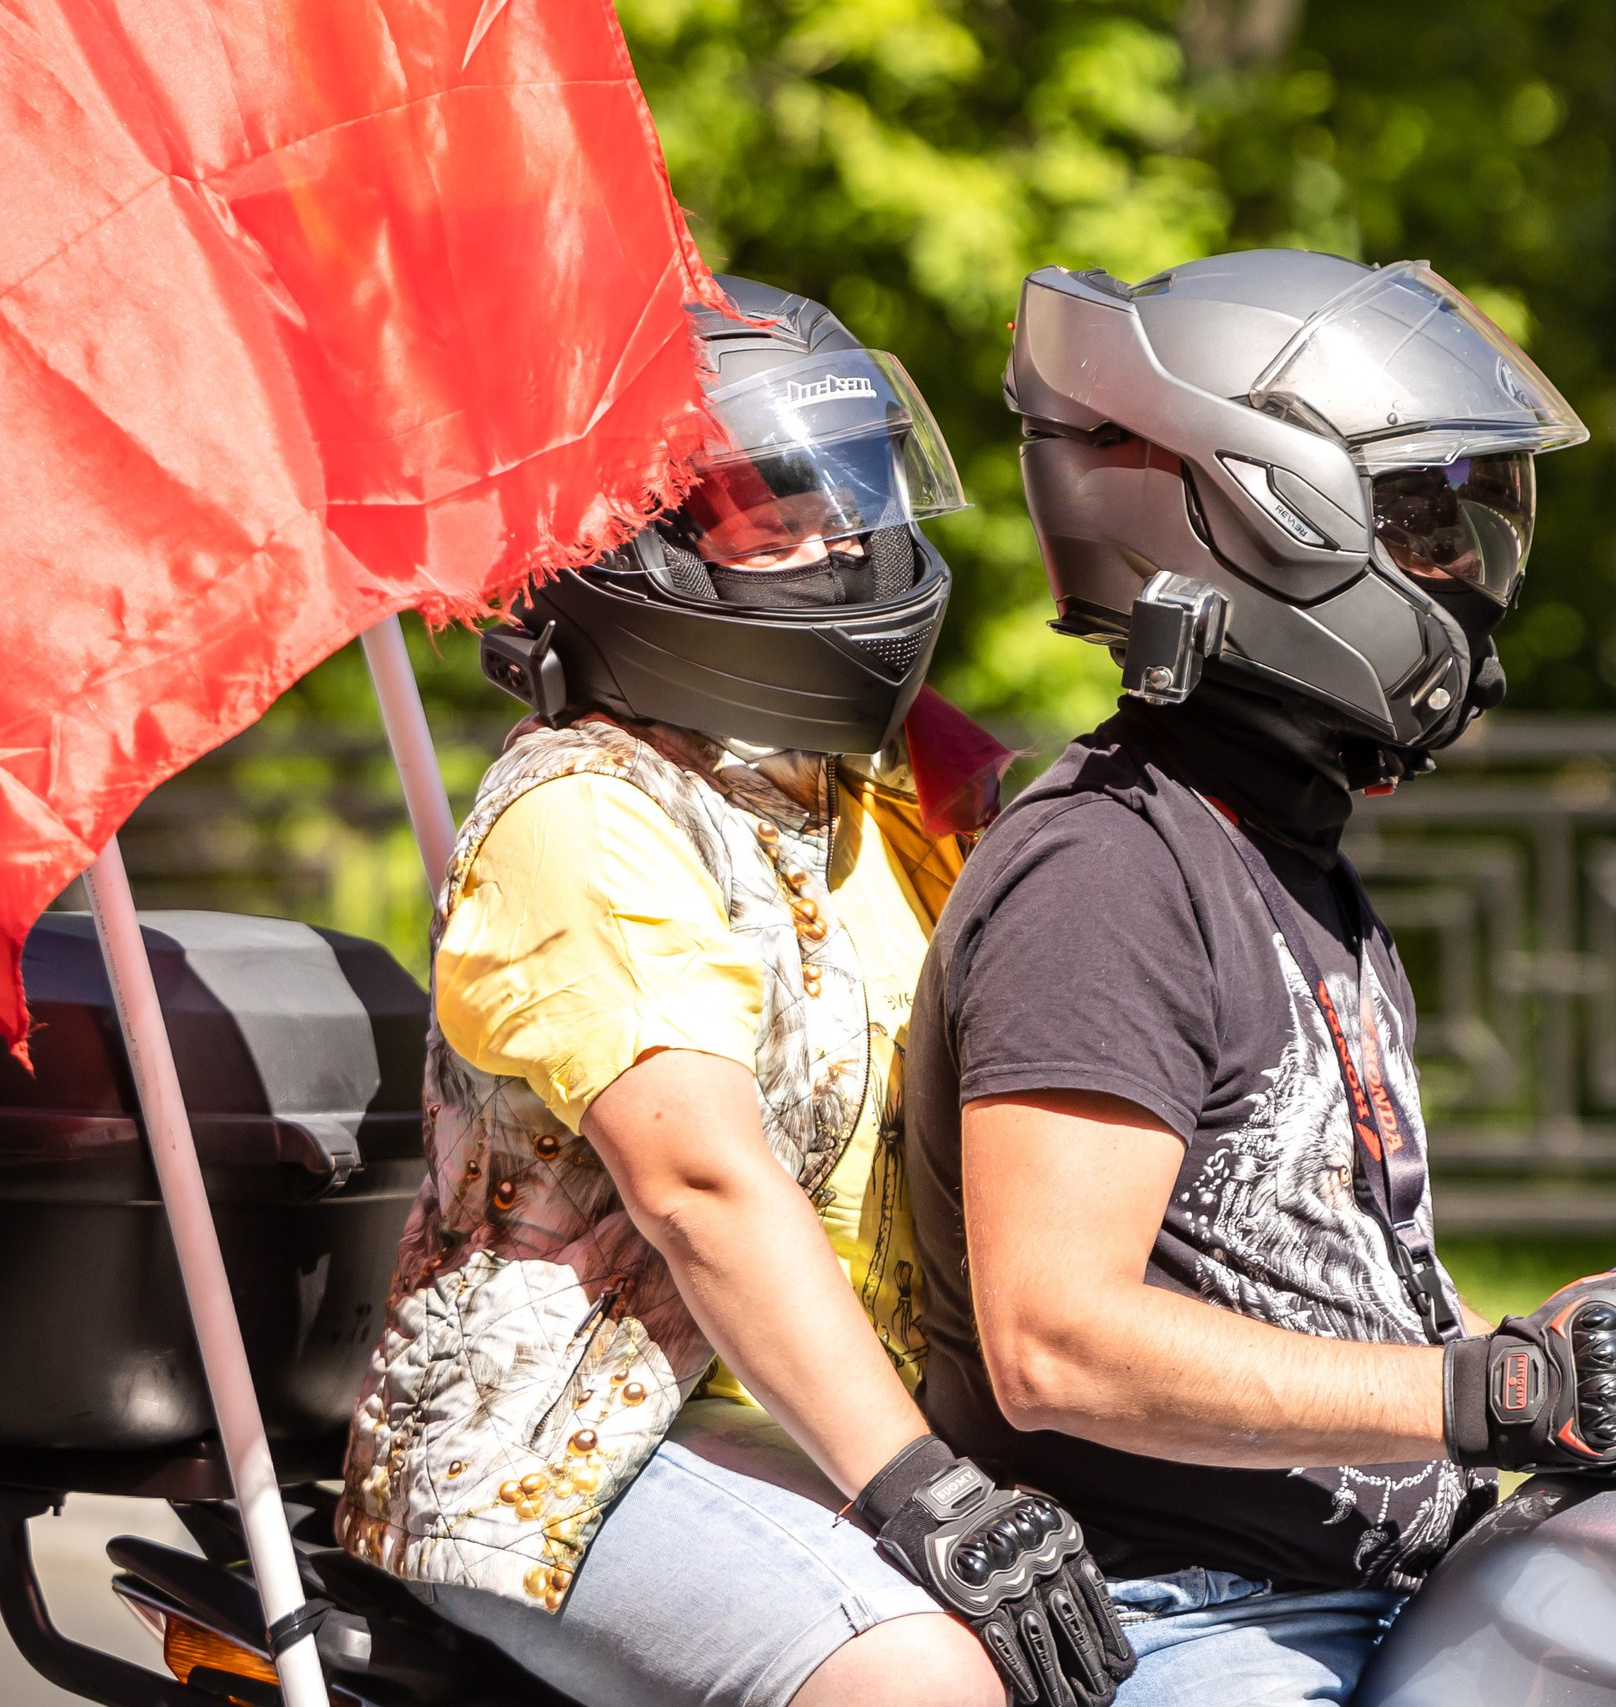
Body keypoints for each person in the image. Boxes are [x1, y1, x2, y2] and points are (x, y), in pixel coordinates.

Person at [904, 250, 1616, 1706]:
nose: (1467, 573)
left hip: (1374, 1590)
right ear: (1260, 517)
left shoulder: (1284, 859)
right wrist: (1475, 1395)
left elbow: (1308, 1296)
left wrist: (1558, 1354)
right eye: (1421, 523)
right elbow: (1057, 1339)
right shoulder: (1107, 871)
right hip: (1191, 1623)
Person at [337, 277, 1132, 1707]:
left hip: (834, 1414)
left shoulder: (877, 788)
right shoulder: (589, 811)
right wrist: (926, 1491)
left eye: (852, 503)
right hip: (582, 1436)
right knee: (924, 1683)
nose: (841, 546)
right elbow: (701, 1186)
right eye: (771, 524)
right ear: (628, 556)